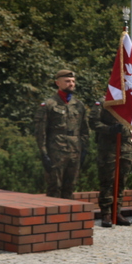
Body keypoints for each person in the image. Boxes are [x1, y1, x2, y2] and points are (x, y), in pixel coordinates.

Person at [34, 69, 89, 200]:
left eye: (73, 81)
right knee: (55, 185)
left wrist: (84, 149)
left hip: (75, 148)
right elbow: (40, 131)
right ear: (58, 83)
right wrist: (44, 153)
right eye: (67, 81)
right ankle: (52, 217)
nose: (71, 84)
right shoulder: (49, 104)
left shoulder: (79, 105)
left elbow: (84, 130)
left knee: (70, 185)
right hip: (56, 148)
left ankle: (67, 217)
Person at [90, 98, 132, 227]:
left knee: (121, 182)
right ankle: (106, 214)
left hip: (126, 148)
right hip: (108, 148)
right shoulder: (103, 102)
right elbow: (93, 122)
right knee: (107, 181)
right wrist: (109, 129)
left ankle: (117, 211)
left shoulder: (130, 101)